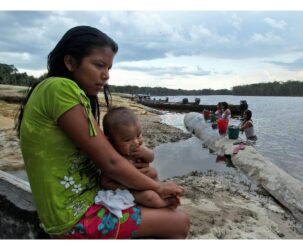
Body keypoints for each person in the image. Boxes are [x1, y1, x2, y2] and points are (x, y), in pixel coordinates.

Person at [17, 25, 189, 239]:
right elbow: (110, 163)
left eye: (109, 68)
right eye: (99, 65)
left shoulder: (62, 91)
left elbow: (108, 156)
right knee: (179, 222)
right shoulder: (59, 89)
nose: (106, 75)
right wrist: (159, 187)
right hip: (73, 216)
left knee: (152, 189)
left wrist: (139, 175)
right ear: (70, 62)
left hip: (89, 197)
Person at [101, 106, 179, 209]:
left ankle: (160, 192)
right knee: (150, 197)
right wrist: (128, 182)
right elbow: (105, 182)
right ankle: (167, 203)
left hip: (146, 183)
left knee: (153, 171)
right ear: (110, 141)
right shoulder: (113, 156)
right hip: (127, 188)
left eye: (138, 136)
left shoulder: (138, 149)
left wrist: (145, 152)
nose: (136, 142)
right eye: (127, 140)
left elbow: (151, 158)